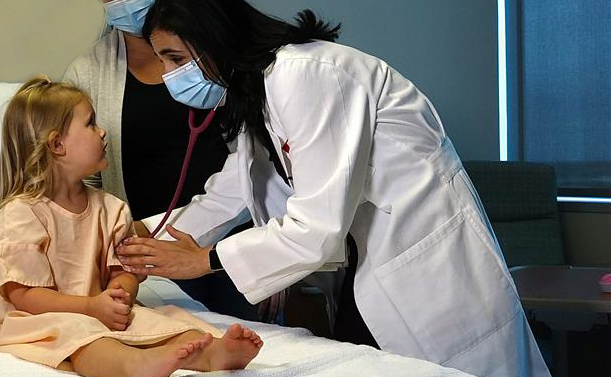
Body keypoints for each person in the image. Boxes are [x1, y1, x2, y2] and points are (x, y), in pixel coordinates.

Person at [114, 1, 551, 376]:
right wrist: (142, 233)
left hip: (428, 269)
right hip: (367, 270)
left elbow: (317, 226)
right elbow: (235, 190)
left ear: (211, 38)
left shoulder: (305, 74)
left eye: (174, 58)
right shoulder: (257, 90)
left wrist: (205, 261)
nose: (169, 76)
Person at [0, 77, 262, 377]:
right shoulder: (20, 215)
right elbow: (24, 296)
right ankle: (134, 365)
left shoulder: (111, 209)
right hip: (40, 316)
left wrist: (120, 295)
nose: (103, 132)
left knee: (162, 322)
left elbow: (123, 269)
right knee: (83, 337)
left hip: (100, 308)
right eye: (91, 124)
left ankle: (211, 353)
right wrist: (91, 308)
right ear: (57, 144)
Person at [62, 0, 262, 321]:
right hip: (150, 252)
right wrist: (119, 236)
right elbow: (80, 180)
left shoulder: (223, 57)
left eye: (176, 59)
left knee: (251, 346)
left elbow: (257, 175)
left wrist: (270, 260)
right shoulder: (88, 73)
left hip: (236, 246)